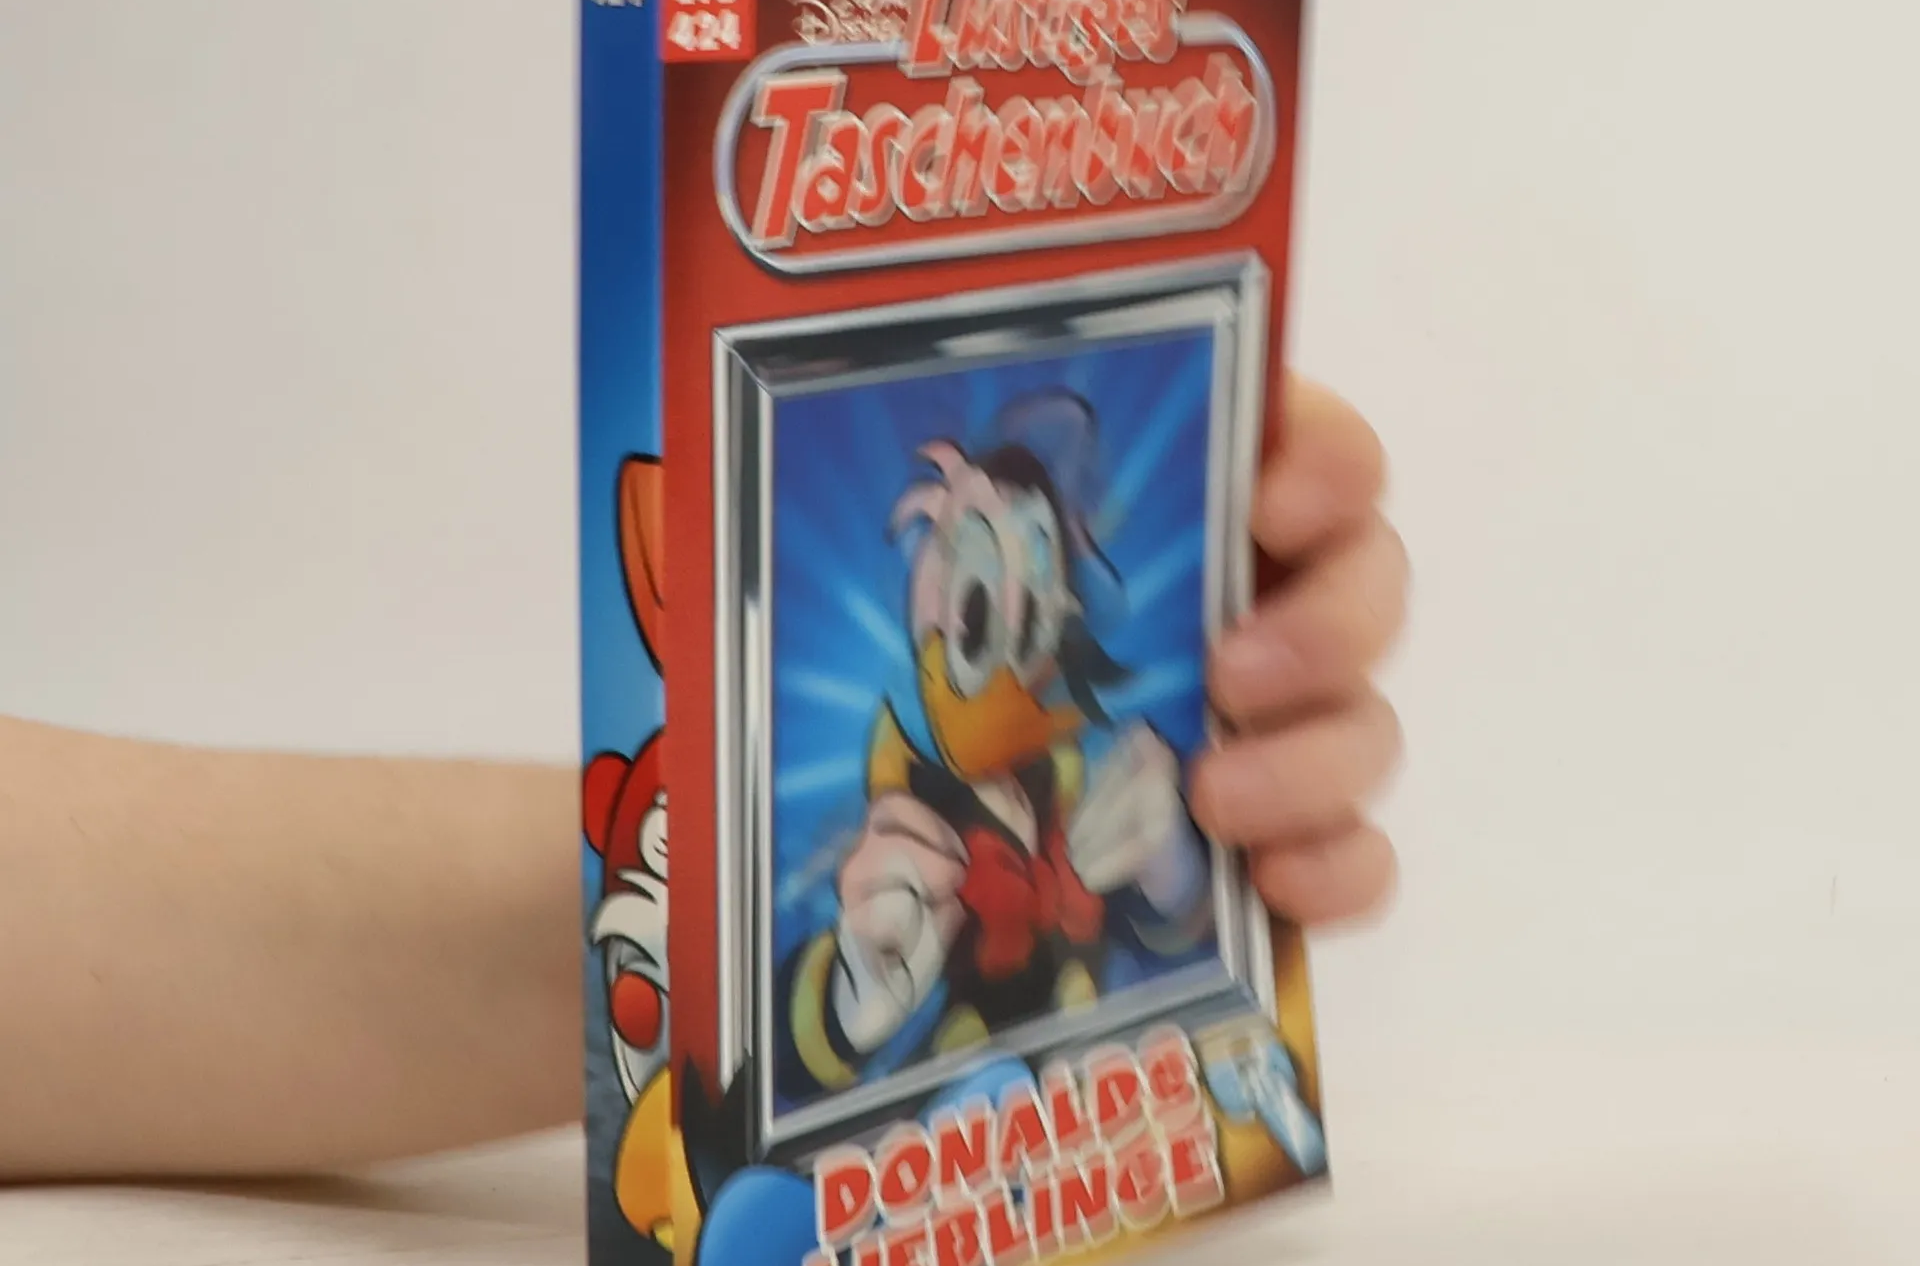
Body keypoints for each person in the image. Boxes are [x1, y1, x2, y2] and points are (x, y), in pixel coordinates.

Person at [0, 379, 1404, 1183]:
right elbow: (836, 992)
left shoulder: (1076, 765)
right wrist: (847, 990)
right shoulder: (900, 818)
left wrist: (1189, 863)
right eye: (975, 585)